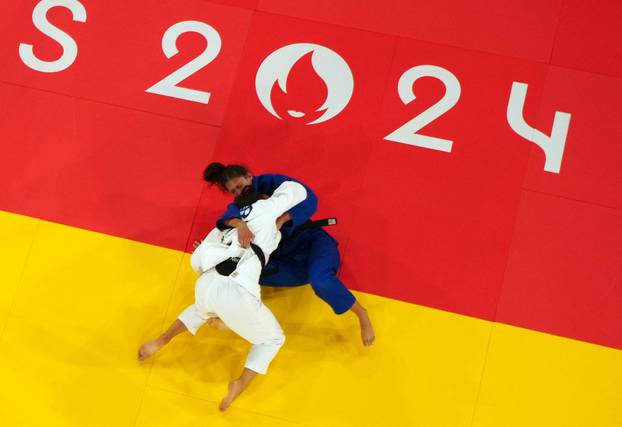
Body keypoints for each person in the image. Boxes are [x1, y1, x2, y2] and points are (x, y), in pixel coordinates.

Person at [138, 180, 308, 411]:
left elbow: (201, 257)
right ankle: (239, 381)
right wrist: (278, 205)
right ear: (261, 201)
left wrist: (283, 220)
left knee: (200, 310)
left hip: (207, 283)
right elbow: (297, 190)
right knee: (273, 339)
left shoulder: (224, 227)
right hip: (235, 290)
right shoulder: (264, 207)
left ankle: (160, 341)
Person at [203, 163, 375, 346]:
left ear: (249, 176)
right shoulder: (239, 204)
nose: (239, 192)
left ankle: (361, 314)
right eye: (234, 191)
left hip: (312, 244)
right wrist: (238, 227)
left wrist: (280, 220)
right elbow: (226, 220)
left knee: (321, 281)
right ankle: (232, 315)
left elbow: (309, 199)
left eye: (239, 185)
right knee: (238, 271)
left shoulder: (273, 183)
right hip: (284, 259)